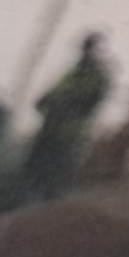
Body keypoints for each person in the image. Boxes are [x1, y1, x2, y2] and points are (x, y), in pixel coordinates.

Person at [22, 33, 111, 199]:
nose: (85, 52)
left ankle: (46, 199)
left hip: (69, 133)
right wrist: (46, 100)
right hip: (51, 127)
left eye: (89, 48)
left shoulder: (97, 76)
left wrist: (62, 102)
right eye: (85, 47)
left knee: (55, 171)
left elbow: (88, 101)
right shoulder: (74, 71)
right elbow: (54, 92)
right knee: (33, 167)